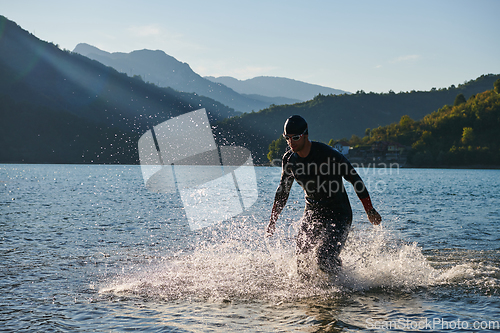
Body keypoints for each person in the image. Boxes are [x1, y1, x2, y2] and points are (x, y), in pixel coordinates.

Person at [266, 115, 381, 279]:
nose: (291, 142)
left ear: (305, 135)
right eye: (287, 138)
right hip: (313, 212)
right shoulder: (290, 160)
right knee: (301, 258)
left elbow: (355, 180)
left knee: (323, 257)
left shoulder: (328, 155)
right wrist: (273, 220)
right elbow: (282, 192)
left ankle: (345, 286)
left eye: (295, 138)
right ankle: (310, 297)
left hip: (339, 213)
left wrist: (369, 210)